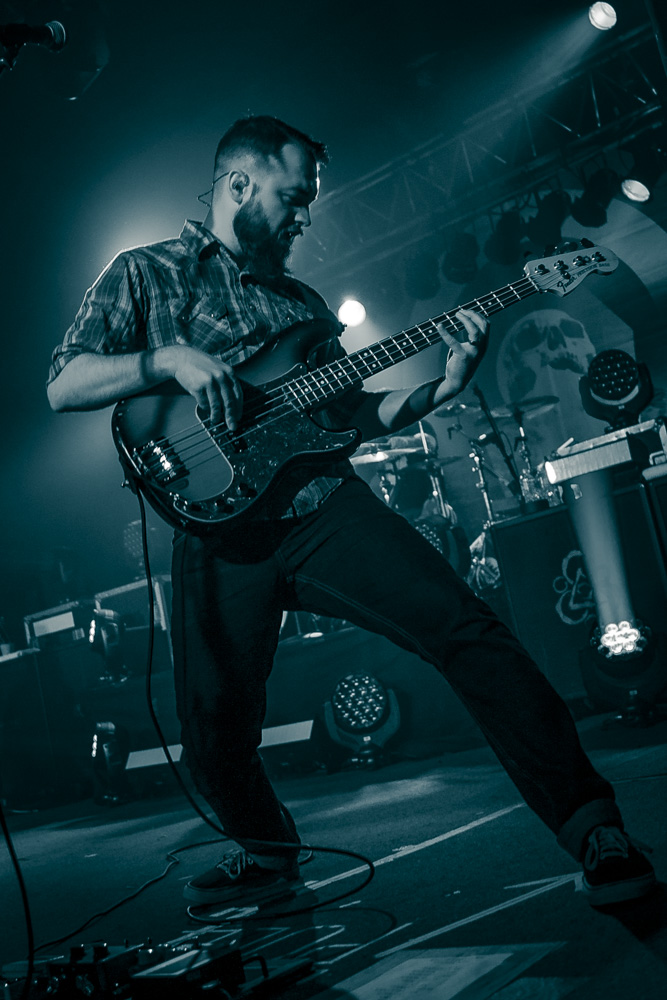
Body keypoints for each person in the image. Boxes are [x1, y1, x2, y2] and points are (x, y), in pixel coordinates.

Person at [47, 115, 656, 910]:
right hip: (218, 532)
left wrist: (442, 387)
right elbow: (65, 383)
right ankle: (267, 855)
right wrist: (171, 359)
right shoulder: (147, 273)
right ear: (239, 184)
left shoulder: (300, 305)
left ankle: (592, 827)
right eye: (294, 197)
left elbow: (354, 414)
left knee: (468, 632)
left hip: (323, 509)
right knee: (211, 727)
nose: (304, 215)